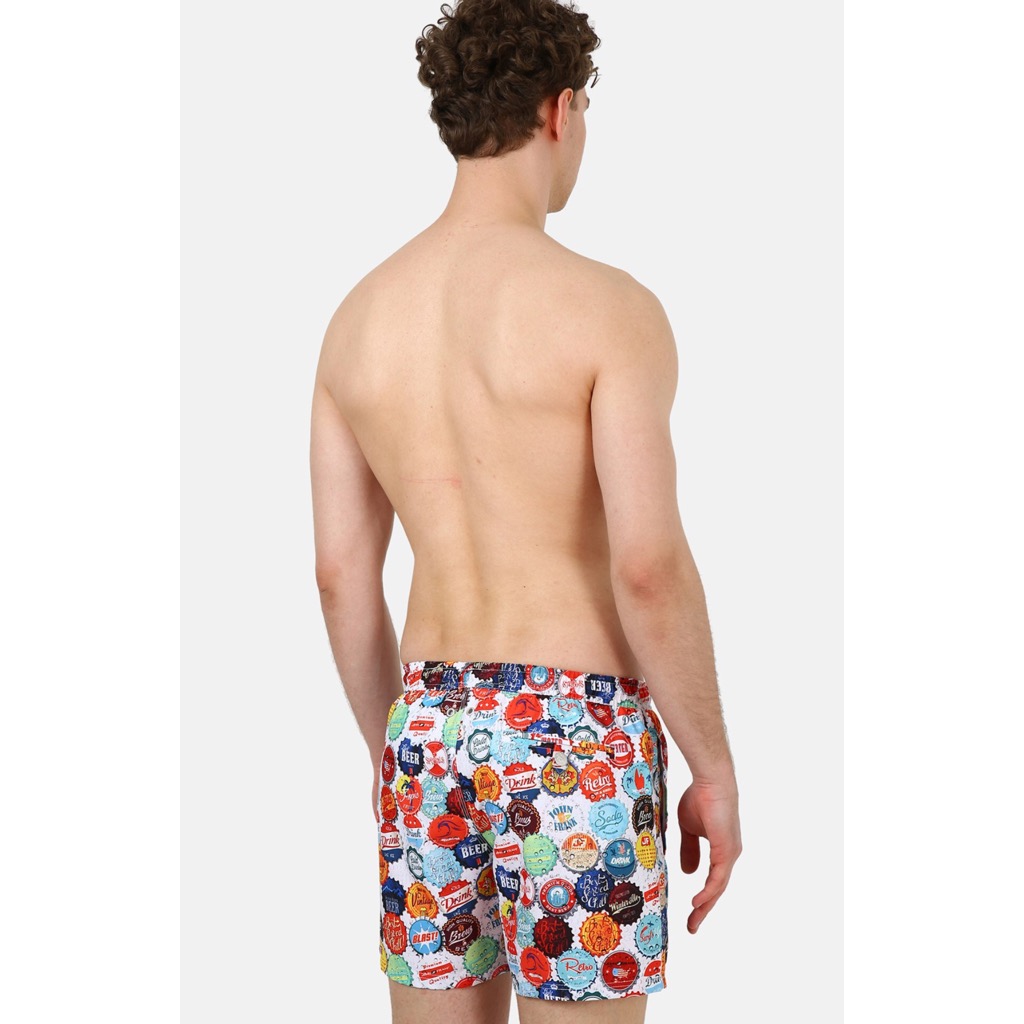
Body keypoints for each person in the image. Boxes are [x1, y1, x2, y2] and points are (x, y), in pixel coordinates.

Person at [309, 1, 741, 1020]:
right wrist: (713, 767)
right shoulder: (608, 309)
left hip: (424, 726)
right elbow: (647, 565)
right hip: (574, 739)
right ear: (561, 109)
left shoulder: (357, 321)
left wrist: (393, 753)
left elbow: (340, 577)